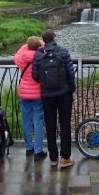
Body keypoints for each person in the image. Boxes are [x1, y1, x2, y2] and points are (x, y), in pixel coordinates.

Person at [32, 29, 76, 169]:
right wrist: (71, 88)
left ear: (44, 40)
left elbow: (35, 76)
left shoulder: (39, 54)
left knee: (50, 126)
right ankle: (65, 157)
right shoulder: (63, 51)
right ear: (54, 38)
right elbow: (70, 72)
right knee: (65, 125)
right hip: (64, 94)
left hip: (46, 95)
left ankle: (53, 158)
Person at [14, 36, 46, 160]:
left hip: (24, 92)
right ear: (38, 46)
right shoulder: (41, 57)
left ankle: (29, 147)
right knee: (38, 122)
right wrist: (41, 45)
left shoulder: (21, 58)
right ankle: (38, 151)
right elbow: (46, 50)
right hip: (37, 93)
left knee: (26, 120)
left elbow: (18, 53)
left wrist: (27, 45)